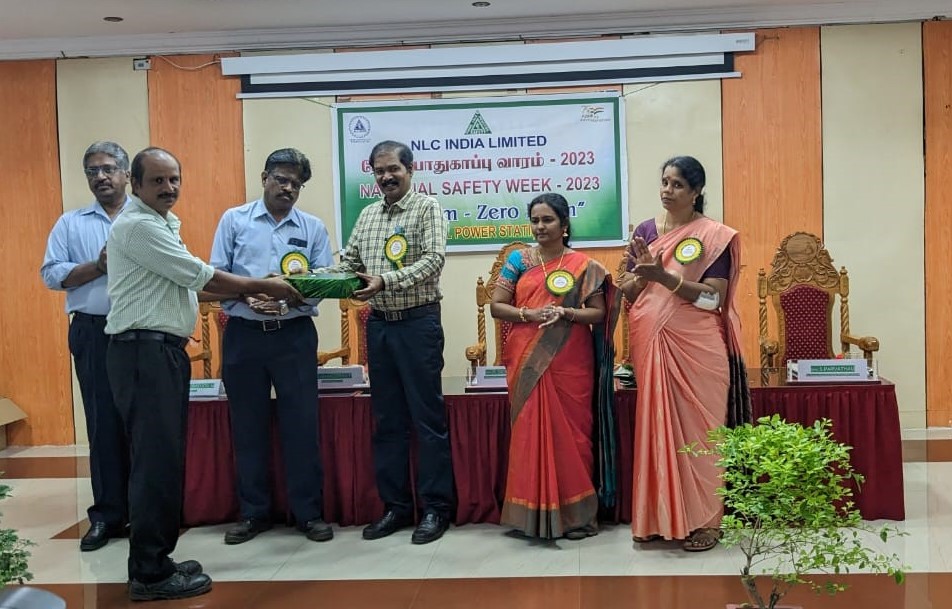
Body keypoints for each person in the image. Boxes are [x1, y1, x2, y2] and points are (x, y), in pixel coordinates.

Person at [105, 147, 303, 601]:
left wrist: (241, 294)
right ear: (134, 186)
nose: (169, 188)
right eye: (157, 181)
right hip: (142, 355)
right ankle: (150, 574)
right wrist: (261, 285)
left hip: (159, 352)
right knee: (154, 466)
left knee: (165, 461)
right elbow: (199, 274)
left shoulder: (159, 223)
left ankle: (157, 557)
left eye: (174, 179)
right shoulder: (137, 226)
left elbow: (197, 284)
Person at [317, 140, 454, 545]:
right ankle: (395, 507)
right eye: (379, 171)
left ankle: (435, 509)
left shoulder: (427, 208)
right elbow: (349, 264)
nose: (386, 177)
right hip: (379, 326)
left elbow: (434, 259)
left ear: (410, 170)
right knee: (388, 422)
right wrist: (308, 280)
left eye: (393, 169)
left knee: (428, 422)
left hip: (418, 325)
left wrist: (386, 281)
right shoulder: (368, 215)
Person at [618, 155, 750, 552]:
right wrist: (640, 277)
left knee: (702, 434)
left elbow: (713, 299)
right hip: (651, 340)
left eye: (677, 184)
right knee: (657, 429)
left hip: (698, 347)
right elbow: (627, 291)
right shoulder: (644, 231)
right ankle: (658, 517)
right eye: (664, 182)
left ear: (696, 192)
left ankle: (707, 522)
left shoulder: (715, 236)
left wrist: (665, 277)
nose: (667, 191)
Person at [209, 148, 334, 545]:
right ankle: (254, 513)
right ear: (264, 177)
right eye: (281, 178)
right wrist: (247, 298)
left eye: (296, 182)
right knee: (248, 428)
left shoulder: (312, 227)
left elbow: (323, 282)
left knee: (301, 426)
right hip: (244, 337)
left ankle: (308, 513)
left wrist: (286, 301)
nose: (288, 187)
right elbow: (215, 277)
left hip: (293, 337)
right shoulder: (234, 220)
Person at [489, 193, 619, 540]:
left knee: (574, 435)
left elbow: (599, 312)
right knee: (530, 430)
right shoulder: (518, 260)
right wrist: (528, 314)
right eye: (535, 220)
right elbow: (496, 306)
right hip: (527, 356)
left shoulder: (585, 265)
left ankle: (576, 517)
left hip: (571, 358)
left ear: (564, 225)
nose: (540, 226)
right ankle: (529, 515)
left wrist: (567, 313)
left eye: (547, 220)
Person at [40, 141, 132, 552]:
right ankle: (108, 515)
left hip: (141, 333)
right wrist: (97, 266)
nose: (101, 177)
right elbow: (52, 275)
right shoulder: (70, 223)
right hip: (93, 332)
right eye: (93, 171)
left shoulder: (148, 217)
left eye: (109, 169)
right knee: (102, 424)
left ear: (127, 174)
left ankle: (148, 512)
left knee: (144, 425)